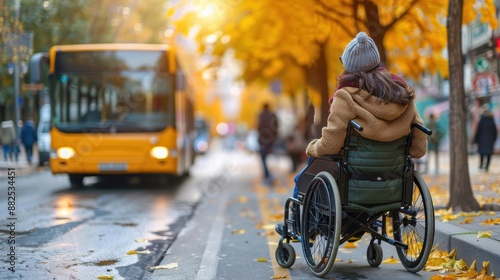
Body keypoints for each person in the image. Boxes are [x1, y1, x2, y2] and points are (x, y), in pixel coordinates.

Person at [276, 32, 428, 238]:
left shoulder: (345, 96)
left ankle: (303, 226)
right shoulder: (402, 94)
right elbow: (418, 146)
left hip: (355, 179)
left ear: (348, 65)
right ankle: (359, 226)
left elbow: (330, 144)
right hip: (392, 180)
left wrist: (312, 147)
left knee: (308, 171)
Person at [258, 103, 279, 183]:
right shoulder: (273, 115)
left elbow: (259, 127)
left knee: (264, 158)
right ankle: (271, 175)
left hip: (264, 141)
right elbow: (276, 127)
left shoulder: (261, 116)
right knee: (273, 157)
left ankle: (267, 174)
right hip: (272, 140)